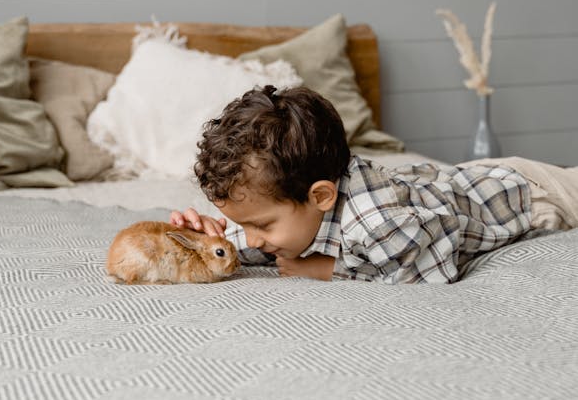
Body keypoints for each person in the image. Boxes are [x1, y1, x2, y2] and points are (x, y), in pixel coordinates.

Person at [169, 85, 578, 284]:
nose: (254, 240)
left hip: (531, 192)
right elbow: (259, 242)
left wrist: (327, 268)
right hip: (466, 179)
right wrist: (205, 243)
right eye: (248, 226)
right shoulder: (295, 204)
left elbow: (431, 271)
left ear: (321, 196)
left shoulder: (377, 223)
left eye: (262, 226)